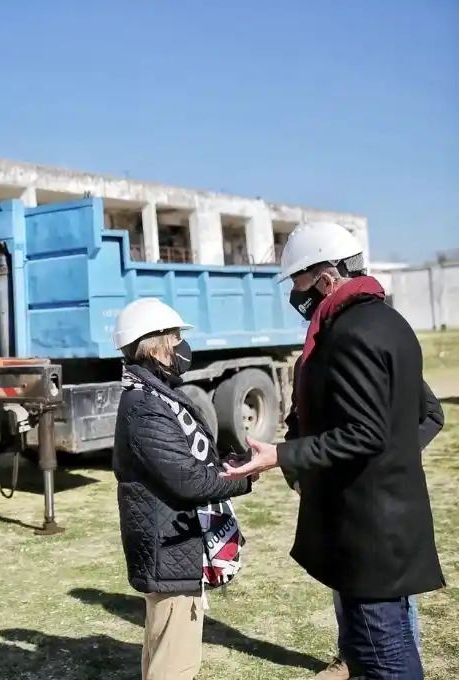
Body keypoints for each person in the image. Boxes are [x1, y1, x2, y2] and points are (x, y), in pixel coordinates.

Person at [222, 221, 446, 679]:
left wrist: (281, 455)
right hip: (379, 518)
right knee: (380, 644)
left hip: (369, 528)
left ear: (325, 278)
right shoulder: (387, 321)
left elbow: (366, 433)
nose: (296, 294)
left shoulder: (350, 333)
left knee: (385, 651)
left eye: (299, 281)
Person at [112, 297, 252, 680]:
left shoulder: (157, 395)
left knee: (164, 652)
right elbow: (187, 480)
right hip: (168, 548)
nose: (181, 345)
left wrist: (228, 465)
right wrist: (244, 478)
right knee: (175, 663)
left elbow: (188, 461)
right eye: (175, 337)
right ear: (154, 344)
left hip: (172, 545)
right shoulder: (145, 405)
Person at [288, 374, 445, 680]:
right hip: (332, 498)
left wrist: (389, 458)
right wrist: (296, 475)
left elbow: (432, 414)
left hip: (379, 498)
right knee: (342, 580)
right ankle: (352, 657)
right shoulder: (306, 362)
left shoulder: (378, 355)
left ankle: (402, 662)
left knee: (391, 594)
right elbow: (297, 422)